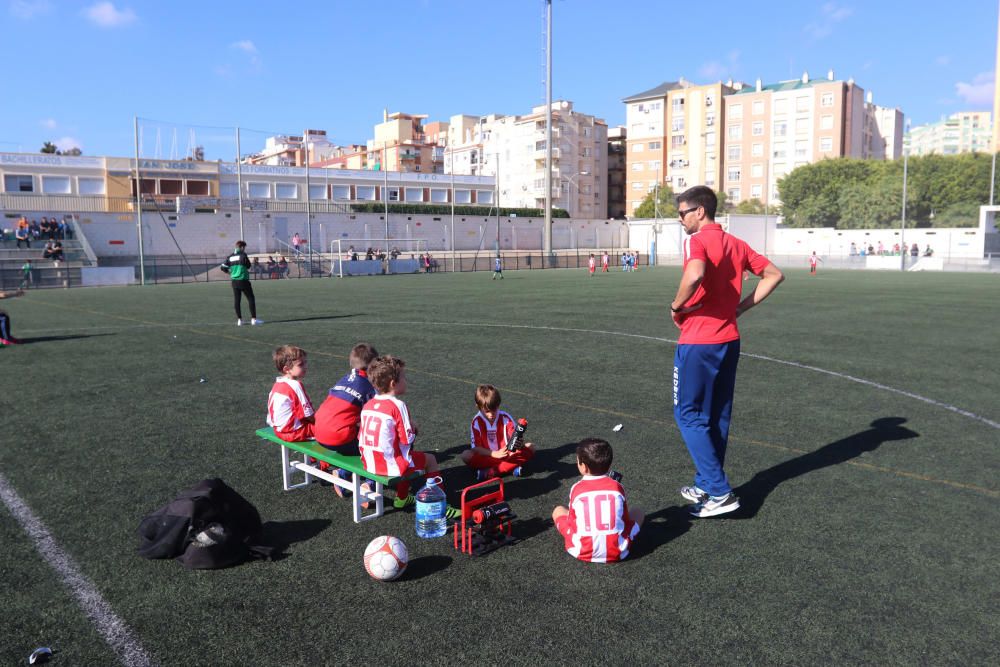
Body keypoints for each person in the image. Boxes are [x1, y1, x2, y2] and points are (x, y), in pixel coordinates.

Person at [669, 186, 784, 518]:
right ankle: (707, 482)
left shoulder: (698, 240)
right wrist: (740, 309)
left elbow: (696, 273)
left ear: (700, 211)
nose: (680, 219)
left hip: (698, 340)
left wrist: (676, 306)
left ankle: (720, 493)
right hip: (728, 341)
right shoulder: (737, 243)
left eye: (683, 213)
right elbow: (774, 275)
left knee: (688, 415)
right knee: (716, 416)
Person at [358, 355, 460, 517]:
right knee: (430, 460)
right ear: (393, 383)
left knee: (404, 453)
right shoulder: (397, 406)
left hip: (368, 463)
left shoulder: (368, 404)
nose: (406, 380)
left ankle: (402, 498)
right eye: (404, 377)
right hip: (389, 465)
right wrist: (413, 428)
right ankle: (440, 507)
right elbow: (407, 439)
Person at [551, 438, 643, 563]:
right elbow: (625, 518)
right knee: (638, 511)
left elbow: (572, 521)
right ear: (609, 465)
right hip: (618, 551)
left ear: (584, 467)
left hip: (580, 550)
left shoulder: (577, 488)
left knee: (558, 510)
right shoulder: (617, 486)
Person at [461, 384, 535, 480]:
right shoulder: (476, 421)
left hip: (507, 455)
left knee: (531, 447)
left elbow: (514, 437)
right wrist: (494, 454)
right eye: (487, 411)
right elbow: (476, 448)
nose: (491, 414)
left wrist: (519, 443)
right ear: (479, 407)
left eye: (494, 410)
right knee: (465, 455)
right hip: (488, 456)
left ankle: (491, 472)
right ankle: (511, 468)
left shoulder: (505, 417)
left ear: (498, 405)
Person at [266, 345, 315, 442]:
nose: (305, 366)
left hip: (278, 430)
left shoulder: (277, 384)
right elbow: (308, 415)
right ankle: (317, 457)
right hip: (293, 432)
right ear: (286, 369)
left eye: (305, 363)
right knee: (327, 431)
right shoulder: (295, 385)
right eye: (301, 364)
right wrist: (320, 423)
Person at [220, 240, 262, 326]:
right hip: (243, 280)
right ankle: (253, 319)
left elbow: (223, 267)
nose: (244, 249)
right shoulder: (243, 255)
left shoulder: (230, 257)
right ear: (242, 247)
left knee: (237, 300)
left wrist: (230, 272)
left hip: (234, 281)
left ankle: (239, 320)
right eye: (244, 248)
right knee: (251, 298)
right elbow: (248, 266)